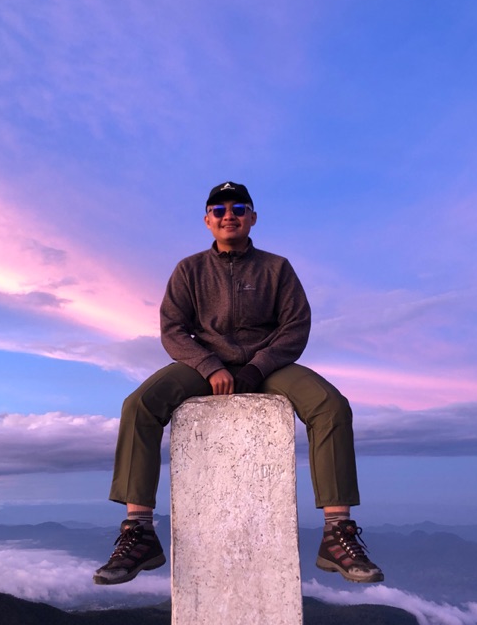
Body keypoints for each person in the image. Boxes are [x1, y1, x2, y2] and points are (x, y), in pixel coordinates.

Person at [93, 181, 383, 586]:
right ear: (207, 221)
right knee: (140, 404)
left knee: (330, 405)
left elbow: (295, 327)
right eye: (219, 210)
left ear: (253, 217)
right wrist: (210, 365)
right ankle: (139, 532)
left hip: (269, 366)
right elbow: (173, 330)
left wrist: (258, 368)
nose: (229, 215)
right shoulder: (189, 270)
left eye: (239, 208)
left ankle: (337, 533)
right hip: (203, 366)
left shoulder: (277, 268)